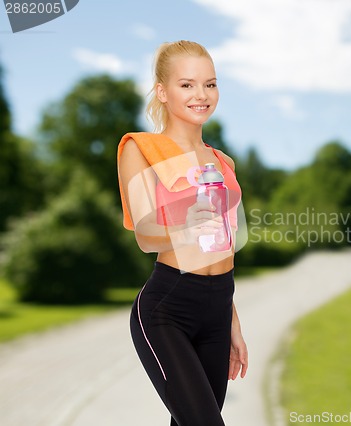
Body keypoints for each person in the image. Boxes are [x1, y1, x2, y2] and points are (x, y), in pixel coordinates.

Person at [117, 40, 248, 426]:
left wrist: (232, 322)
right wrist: (186, 224)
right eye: (187, 84)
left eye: (210, 84)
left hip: (218, 307)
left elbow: (223, 248)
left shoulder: (223, 163)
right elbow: (145, 235)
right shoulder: (141, 148)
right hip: (168, 307)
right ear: (163, 91)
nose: (201, 95)